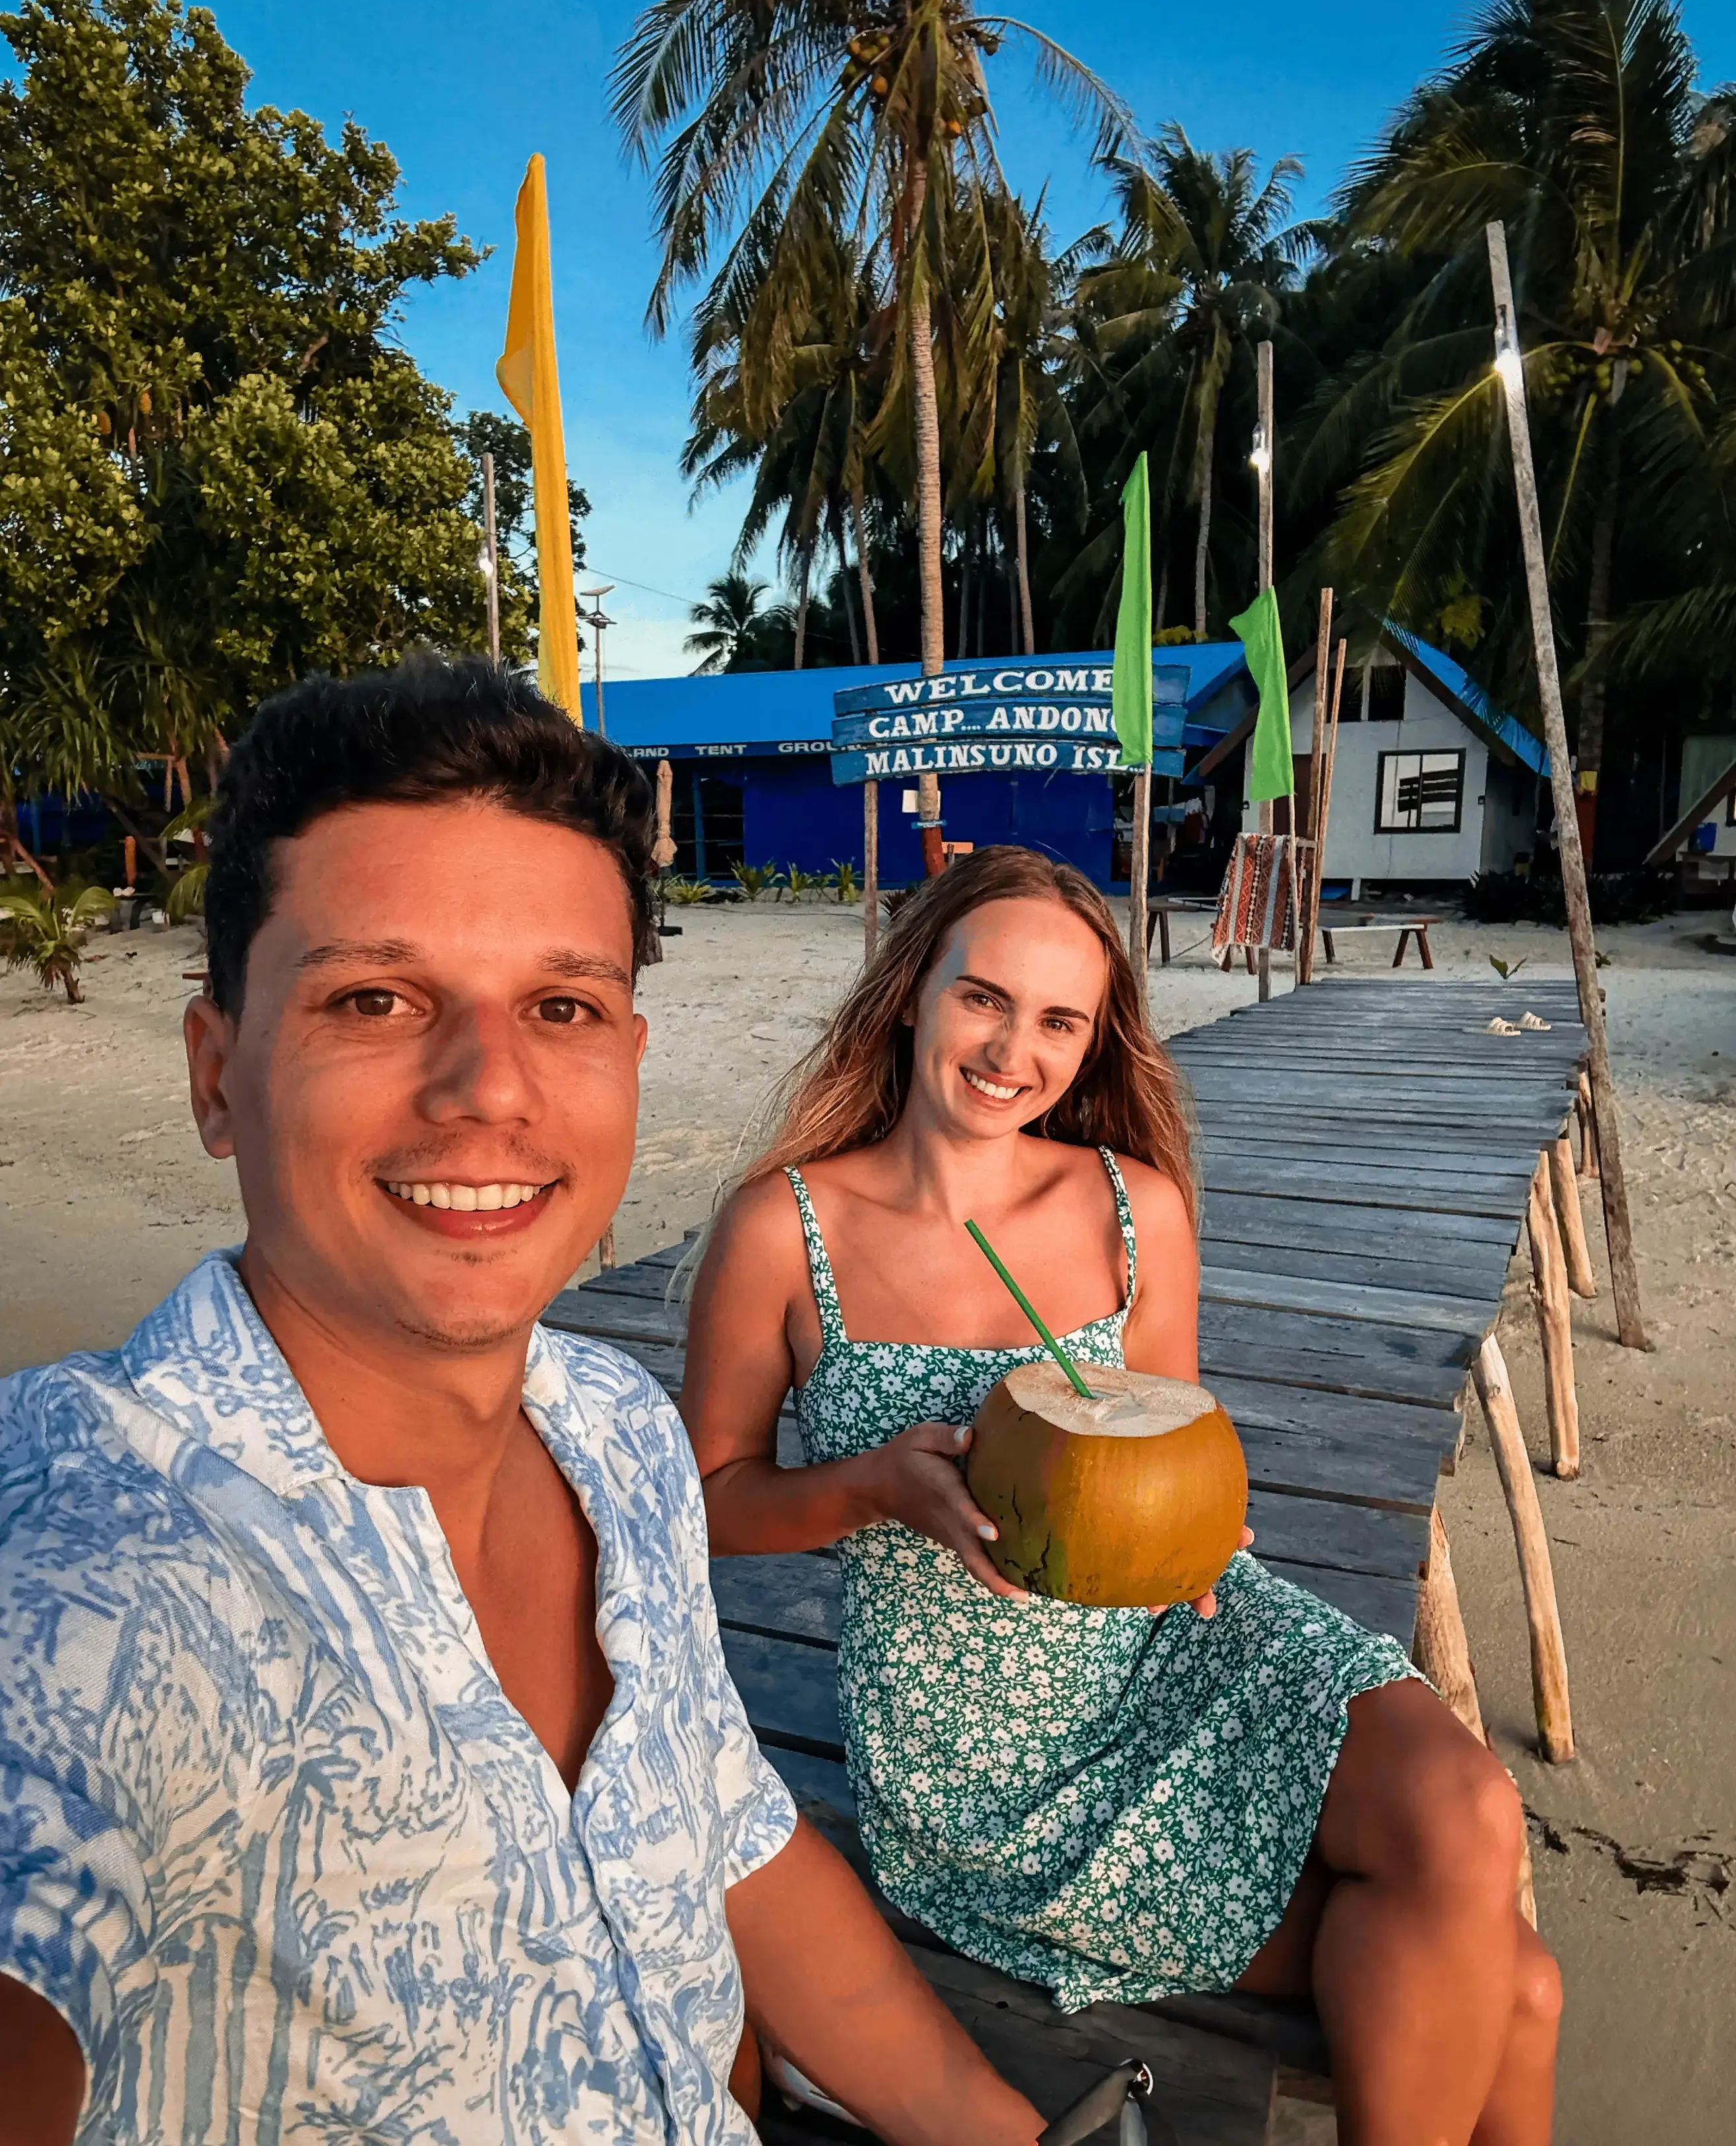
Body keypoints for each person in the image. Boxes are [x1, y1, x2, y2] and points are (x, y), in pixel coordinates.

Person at [0, 659, 1042, 2146]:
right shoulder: (96, 1556)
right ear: (218, 1076)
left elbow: (736, 1843)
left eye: (560, 1004)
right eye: (374, 997)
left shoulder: (615, 1429)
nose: (487, 1086)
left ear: (626, 1058)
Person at [683, 848, 1563, 2146]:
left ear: (1094, 1044)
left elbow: (1177, 1433)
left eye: (1056, 1021)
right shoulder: (782, 1229)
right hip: (985, 1749)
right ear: (912, 990)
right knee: (1517, 1985)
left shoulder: (1132, 1209)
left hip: (1180, 1640)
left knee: (1469, 1806)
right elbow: (706, 1498)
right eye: (982, 999)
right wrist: (872, 1488)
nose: (1008, 1052)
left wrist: (1200, 1518)